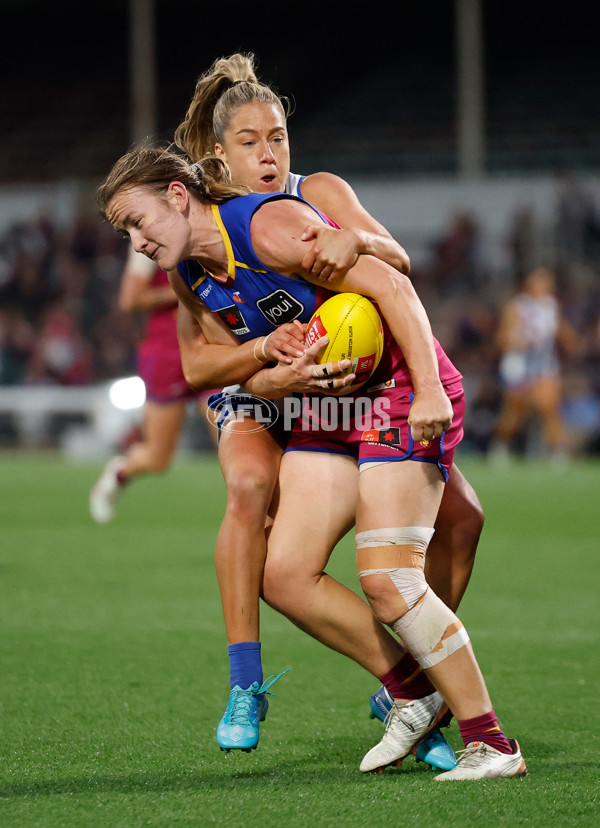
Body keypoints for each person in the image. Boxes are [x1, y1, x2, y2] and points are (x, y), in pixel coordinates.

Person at [96, 144, 527, 781]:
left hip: (395, 392)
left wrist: (431, 389)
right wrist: (279, 367)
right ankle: (413, 692)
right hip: (326, 409)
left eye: (137, 221)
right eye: (124, 232)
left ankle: (490, 741)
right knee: (284, 574)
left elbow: (393, 280)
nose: (135, 241)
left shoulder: (264, 225)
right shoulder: (188, 277)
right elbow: (249, 384)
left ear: (178, 197)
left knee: (389, 580)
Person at [171, 54, 484, 757]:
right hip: (264, 389)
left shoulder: (317, 191)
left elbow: (396, 260)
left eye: (277, 136)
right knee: (252, 489)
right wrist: (261, 371)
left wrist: (361, 239)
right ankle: (246, 681)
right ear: (219, 152)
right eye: (249, 142)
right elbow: (204, 356)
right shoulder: (201, 234)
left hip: (344, 390)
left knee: (463, 522)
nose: (268, 153)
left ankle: (410, 688)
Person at [89, 244, 217, 523]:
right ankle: (120, 471)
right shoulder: (148, 236)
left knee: (234, 442)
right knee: (158, 459)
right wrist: (188, 288)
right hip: (168, 352)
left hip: (213, 342)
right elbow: (130, 299)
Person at [489, 265, 581, 466]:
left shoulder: (551, 306)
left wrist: (574, 343)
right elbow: (503, 338)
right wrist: (515, 340)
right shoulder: (518, 306)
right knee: (515, 411)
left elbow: (561, 331)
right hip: (519, 364)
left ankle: (557, 452)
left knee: (549, 407)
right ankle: (501, 445)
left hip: (544, 364)